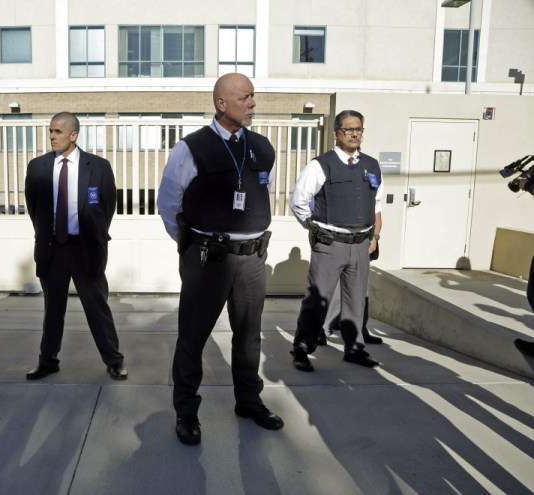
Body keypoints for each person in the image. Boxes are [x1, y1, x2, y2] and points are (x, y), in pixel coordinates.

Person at [157, 73, 284, 446]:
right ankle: (187, 413)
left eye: (253, 96)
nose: (253, 104)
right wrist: (191, 247)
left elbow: (265, 191)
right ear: (221, 104)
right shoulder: (191, 148)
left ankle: (248, 401)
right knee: (192, 339)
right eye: (245, 98)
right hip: (207, 259)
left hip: (251, 260)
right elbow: (168, 203)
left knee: (248, 338)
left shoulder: (262, 147)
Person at [23, 112, 127, 381]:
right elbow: (35, 209)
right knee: (52, 310)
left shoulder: (98, 166)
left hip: (85, 250)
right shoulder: (37, 167)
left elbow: (107, 208)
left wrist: (95, 237)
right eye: (50, 131)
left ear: (73, 135)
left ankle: (114, 361)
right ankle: (48, 361)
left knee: (97, 308)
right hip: (52, 249)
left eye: (58, 131)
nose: (52, 136)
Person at [289, 110, 383, 372]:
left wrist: (374, 236)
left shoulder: (372, 165)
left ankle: (354, 348)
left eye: (359, 129)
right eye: (349, 129)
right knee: (317, 300)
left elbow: (376, 205)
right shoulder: (321, 164)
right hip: (330, 245)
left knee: (356, 301)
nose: (355, 134)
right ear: (336, 133)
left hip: (361, 244)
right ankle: (302, 348)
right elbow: (298, 203)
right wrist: (317, 228)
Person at [320, 212, 383, 345]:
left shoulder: (371, 191)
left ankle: (360, 329)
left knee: (361, 292)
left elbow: (377, 217)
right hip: (340, 242)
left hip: (363, 243)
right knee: (337, 291)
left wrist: (375, 239)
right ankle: (325, 329)